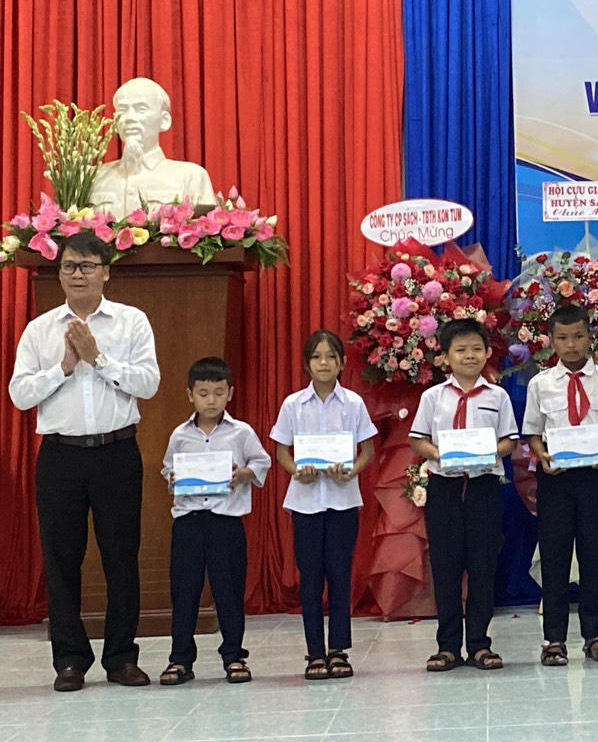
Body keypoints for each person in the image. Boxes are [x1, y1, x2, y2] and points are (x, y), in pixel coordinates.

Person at [8, 231, 159, 691]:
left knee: (121, 558)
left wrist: (99, 359)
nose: (78, 274)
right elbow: (19, 394)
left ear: (106, 272)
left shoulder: (131, 322)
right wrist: (64, 368)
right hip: (60, 457)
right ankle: (70, 661)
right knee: (61, 561)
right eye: (70, 266)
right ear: (60, 274)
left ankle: (121, 657)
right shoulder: (40, 329)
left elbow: (149, 383)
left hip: (116, 452)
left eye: (88, 266)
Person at [409, 319, 518, 672]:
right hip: (445, 487)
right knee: (446, 568)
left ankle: (480, 644)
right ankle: (447, 646)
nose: (469, 356)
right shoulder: (433, 397)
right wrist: (439, 454)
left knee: (483, 566)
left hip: (484, 487)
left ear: (487, 352)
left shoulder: (497, 396)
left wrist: (489, 452)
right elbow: (418, 439)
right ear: (445, 356)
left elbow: (510, 440)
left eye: (476, 349)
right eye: (460, 350)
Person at [270, 330, 377, 680]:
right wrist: (296, 471)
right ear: (307, 364)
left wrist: (352, 471)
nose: (324, 363)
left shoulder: (354, 403)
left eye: (331, 356)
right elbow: (281, 451)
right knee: (311, 578)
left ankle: (338, 650)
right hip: (305, 502)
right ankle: (315, 651)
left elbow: (367, 451)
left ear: (342, 362)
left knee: (340, 575)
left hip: (343, 500)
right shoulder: (293, 404)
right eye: (317, 357)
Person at [159, 357, 271, 684]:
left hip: (226, 521)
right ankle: (180, 659)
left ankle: (234, 656)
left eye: (219, 392)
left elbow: (261, 462)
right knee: (184, 590)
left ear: (230, 394)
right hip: (189, 521)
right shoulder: (180, 434)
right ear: (190, 395)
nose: (211, 400)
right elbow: (168, 468)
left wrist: (243, 473)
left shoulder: (241, 432)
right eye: (203, 393)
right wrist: (173, 477)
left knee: (229, 590)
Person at [523, 304, 598, 666]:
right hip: (556, 478)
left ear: (590, 337)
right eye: (563, 337)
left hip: (595, 475)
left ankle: (593, 635)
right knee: (555, 557)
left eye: (578, 336)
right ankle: (554, 639)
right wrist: (542, 456)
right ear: (551, 340)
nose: (571, 344)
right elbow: (533, 431)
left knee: (594, 555)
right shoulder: (540, 383)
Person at [89, 77, 217, 215]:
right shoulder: (94, 177)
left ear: (164, 120)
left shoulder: (191, 177)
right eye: (122, 110)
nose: (129, 118)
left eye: (141, 109)